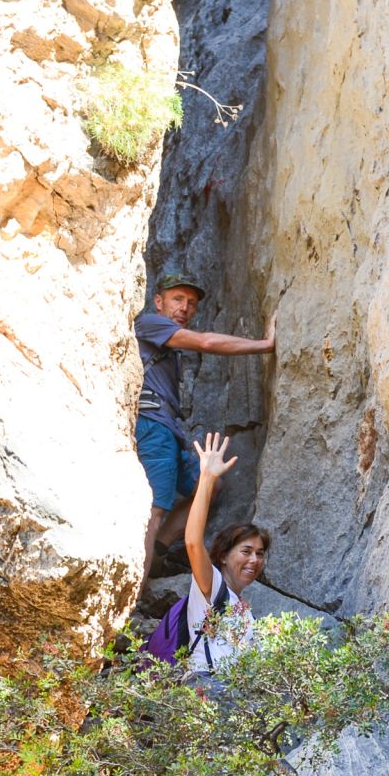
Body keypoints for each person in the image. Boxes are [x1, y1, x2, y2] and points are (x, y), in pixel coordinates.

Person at [134, 274, 275, 568]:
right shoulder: (150, 323)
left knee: (210, 484)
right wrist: (265, 344)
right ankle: (133, 599)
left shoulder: (166, 338)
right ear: (158, 302)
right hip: (153, 427)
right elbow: (207, 341)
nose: (185, 308)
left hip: (168, 430)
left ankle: (157, 553)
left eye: (192, 303)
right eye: (177, 299)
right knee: (155, 510)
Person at [176, 434, 271, 678]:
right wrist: (207, 478)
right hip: (207, 687)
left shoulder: (244, 609)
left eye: (260, 554)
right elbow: (193, 542)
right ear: (224, 556)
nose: (254, 560)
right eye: (246, 551)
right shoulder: (211, 586)